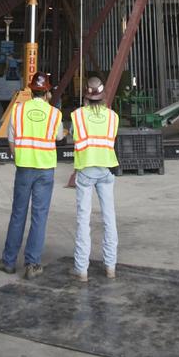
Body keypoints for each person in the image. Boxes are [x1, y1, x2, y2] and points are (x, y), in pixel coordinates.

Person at [0, 71, 64, 279]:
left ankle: (8, 261)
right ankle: (32, 264)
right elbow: (59, 137)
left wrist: (19, 156)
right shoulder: (55, 114)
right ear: (47, 92)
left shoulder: (18, 110)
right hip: (45, 169)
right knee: (39, 216)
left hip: (24, 168)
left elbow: (11, 140)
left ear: (31, 90)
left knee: (18, 213)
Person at [70, 77, 119, 282]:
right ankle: (110, 266)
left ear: (86, 97)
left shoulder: (77, 115)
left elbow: (74, 136)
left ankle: (82, 269)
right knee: (109, 218)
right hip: (106, 170)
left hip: (86, 170)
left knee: (83, 219)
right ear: (103, 96)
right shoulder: (113, 117)